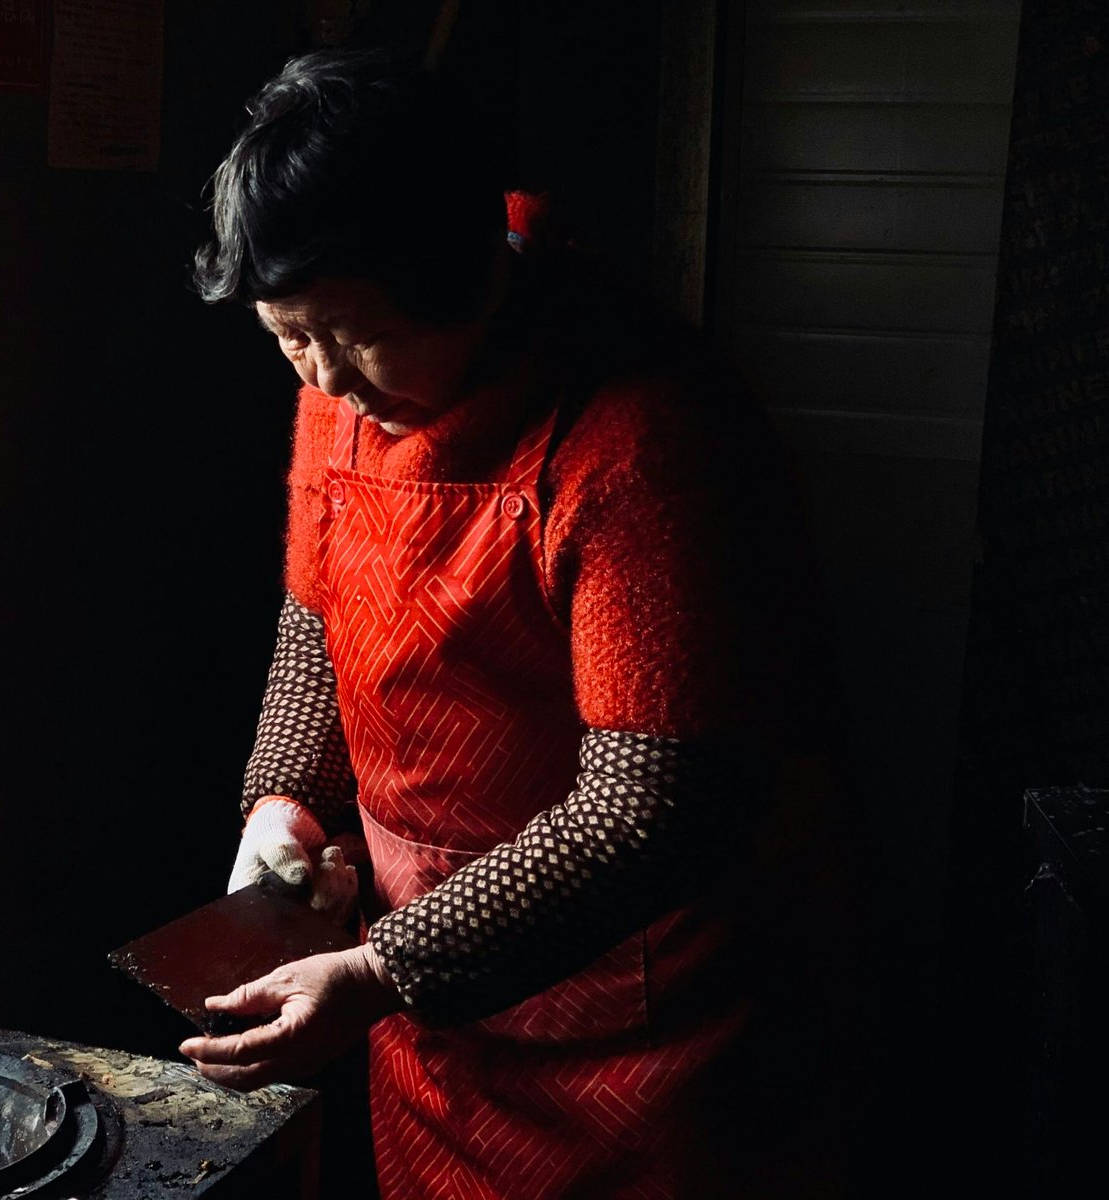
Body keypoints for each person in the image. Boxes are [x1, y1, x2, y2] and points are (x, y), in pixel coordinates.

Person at [180, 48, 845, 1200]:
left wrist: (388, 966)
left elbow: (652, 804)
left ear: (459, 270)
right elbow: (315, 617)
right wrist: (285, 804)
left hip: (632, 1019)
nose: (323, 375)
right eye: (286, 333)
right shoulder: (338, 382)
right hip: (429, 1016)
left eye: (349, 332)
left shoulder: (640, 438)